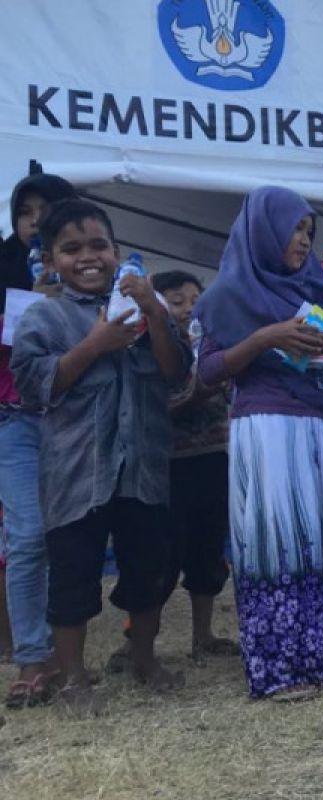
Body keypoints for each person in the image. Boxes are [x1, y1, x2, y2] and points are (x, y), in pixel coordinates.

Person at [193, 186, 323, 700]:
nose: (303, 240)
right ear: (263, 230)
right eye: (294, 230)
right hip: (268, 426)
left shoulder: (317, 286)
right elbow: (208, 372)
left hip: (320, 424)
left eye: (308, 231)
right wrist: (263, 339)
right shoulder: (227, 294)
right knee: (281, 544)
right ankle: (287, 668)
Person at [12, 199, 190, 714]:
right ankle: (73, 681)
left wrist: (155, 310)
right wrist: (95, 344)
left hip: (144, 469)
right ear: (49, 262)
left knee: (148, 573)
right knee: (72, 580)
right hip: (75, 475)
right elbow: (33, 386)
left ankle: (143, 659)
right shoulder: (44, 315)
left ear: (116, 252)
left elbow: (176, 372)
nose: (87, 257)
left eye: (98, 246)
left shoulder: (141, 306)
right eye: (70, 249)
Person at [0, 172, 77, 709]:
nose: (33, 221)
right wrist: (29, 301)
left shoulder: (94, 269)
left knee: (68, 539)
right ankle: (32, 656)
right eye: (25, 211)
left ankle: (66, 653)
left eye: (45, 211)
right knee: (26, 537)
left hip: (76, 422)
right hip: (16, 423)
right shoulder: (6, 271)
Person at [153, 270, 238, 663]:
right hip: (170, 463)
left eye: (194, 299)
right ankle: (137, 639)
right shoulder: (150, 349)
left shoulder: (216, 343)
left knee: (208, 545)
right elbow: (156, 408)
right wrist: (200, 389)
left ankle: (203, 635)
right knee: (164, 553)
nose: (188, 308)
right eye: (175, 300)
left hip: (216, 456)